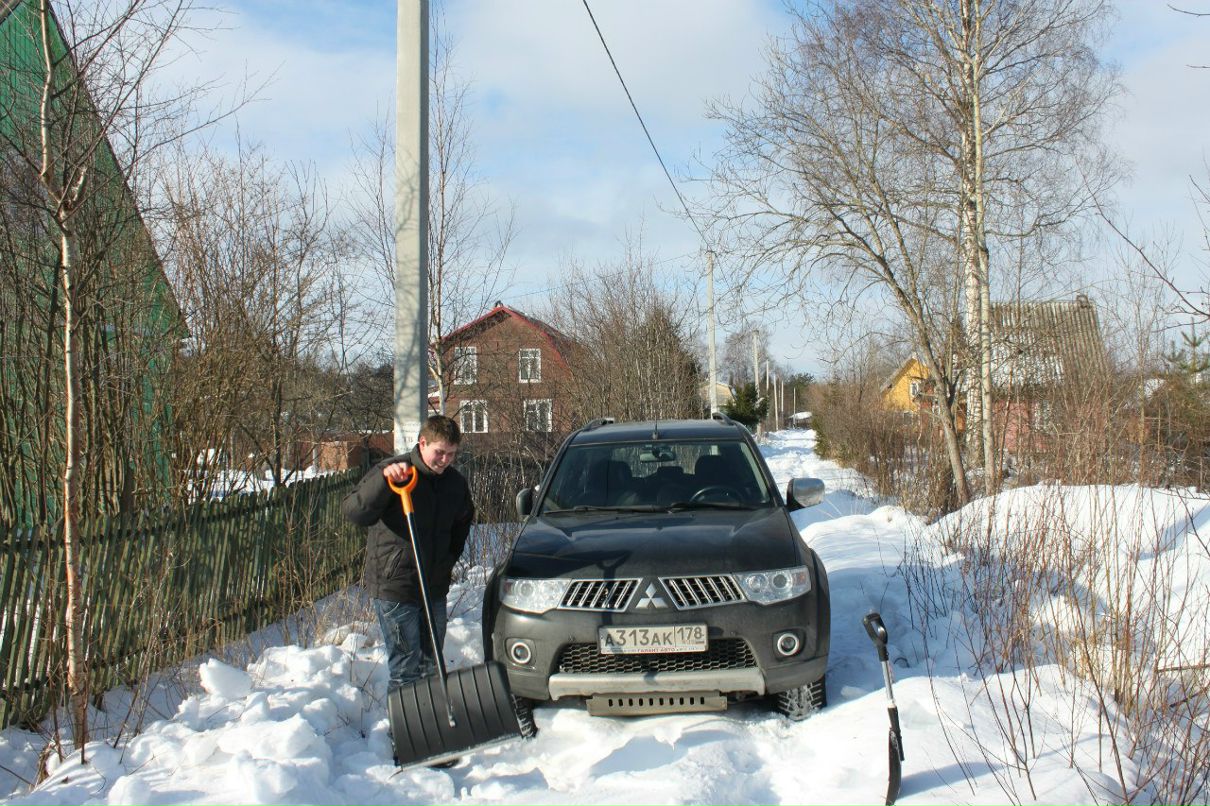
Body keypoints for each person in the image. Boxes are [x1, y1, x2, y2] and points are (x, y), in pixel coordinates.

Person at [342, 415, 474, 693]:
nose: (445, 460)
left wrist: (448, 559)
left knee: (431, 663)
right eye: (439, 452)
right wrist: (382, 481)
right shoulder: (394, 472)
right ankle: (404, 733)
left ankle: (431, 725)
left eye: (451, 454)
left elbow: (463, 521)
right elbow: (355, 512)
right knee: (406, 668)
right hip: (397, 585)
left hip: (435, 587)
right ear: (422, 443)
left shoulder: (454, 483)